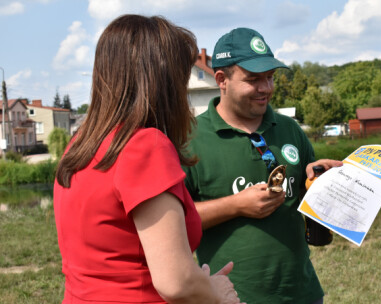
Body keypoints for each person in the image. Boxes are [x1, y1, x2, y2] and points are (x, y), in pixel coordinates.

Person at [53, 15, 241, 303]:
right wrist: (213, 293)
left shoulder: (80, 146)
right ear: (162, 81)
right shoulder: (144, 146)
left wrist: (198, 282)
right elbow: (175, 282)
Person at [182, 27, 342, 304]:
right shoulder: (191, 140)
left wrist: (322, 184)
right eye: (254, 79)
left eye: (270, 78)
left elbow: (311, 205)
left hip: (302, 293)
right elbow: (175, 222)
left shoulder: (289, 129)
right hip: (233, 297)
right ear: (222, 79)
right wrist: (236, 205)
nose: (266, 88)